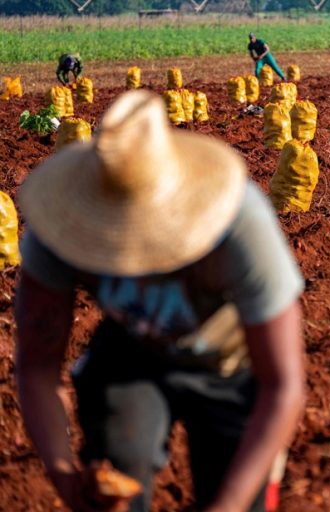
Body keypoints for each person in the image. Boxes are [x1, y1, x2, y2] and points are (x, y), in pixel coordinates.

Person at [14, 90, 306, 512]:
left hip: (230, 361)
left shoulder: (239, 221)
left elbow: (283, 385)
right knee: (115, 470)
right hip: (133, 352)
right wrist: (63, 475)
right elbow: (38, 367)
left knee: (239, 491)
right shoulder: (60, 226)